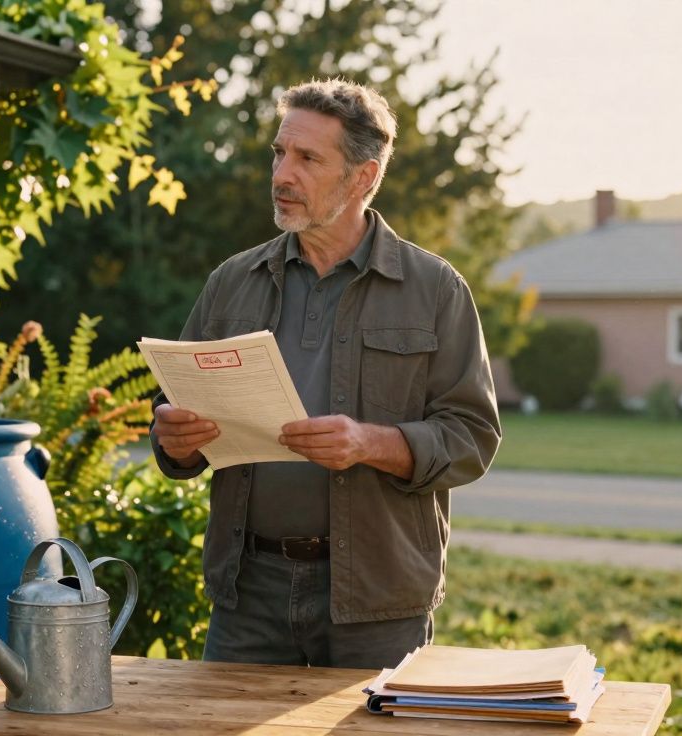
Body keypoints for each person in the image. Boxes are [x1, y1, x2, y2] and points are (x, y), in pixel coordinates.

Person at [150, 78, 501, 669]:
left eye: (308, 158)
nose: (283, 173)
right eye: (280, 153)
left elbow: (471, 438)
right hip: (248, 592)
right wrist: (175, 441)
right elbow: (173, 423)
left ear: (362, 177)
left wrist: (370, 443)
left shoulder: (435, 289)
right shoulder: (232, 282)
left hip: (378, 597)